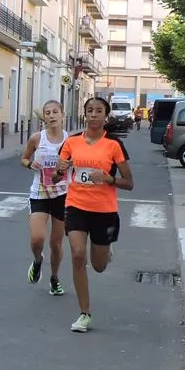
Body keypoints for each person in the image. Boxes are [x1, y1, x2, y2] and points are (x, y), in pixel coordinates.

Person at [55, 96, 134, 333]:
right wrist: (60, 171)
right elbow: (58, 176)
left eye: (99, 111)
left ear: (105, 115)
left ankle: (105, 248)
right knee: (78, 256)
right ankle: (84, 314)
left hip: (104, 210)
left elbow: (129, 183)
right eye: (90, 110)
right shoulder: (71, 143)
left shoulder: (114, 145)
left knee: (98, 266)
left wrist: (109, 179)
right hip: (76, 205)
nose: (94, 115)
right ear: (85, 114)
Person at [19, 100, 69, 296]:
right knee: (37, 238)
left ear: (63, 114)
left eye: (55, 111)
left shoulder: (70, 140)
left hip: (62, 195)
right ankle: (38, 260)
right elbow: (23, 159)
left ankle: (54, 279)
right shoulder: (37, 139)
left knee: (56, 243)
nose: (51, 115)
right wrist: (29, 164)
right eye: (48, 113)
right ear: (44, 117)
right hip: (39, 193)